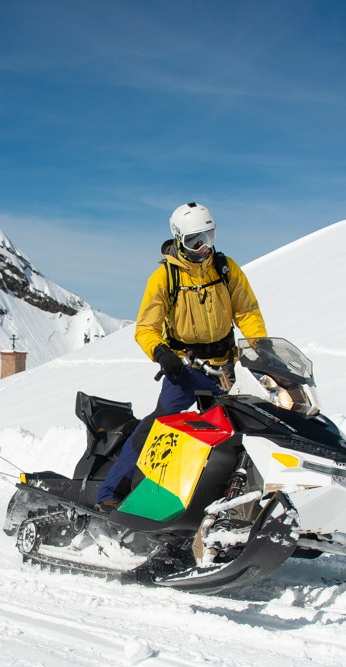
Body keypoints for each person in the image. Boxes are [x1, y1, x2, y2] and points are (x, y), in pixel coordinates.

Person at [95, 202, 268, 511]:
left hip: (224, 370)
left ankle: (231, 498)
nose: (203, 248)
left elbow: (247, 312)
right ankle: (112, 492)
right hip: (185, 369)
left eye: (209, 237)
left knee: (237, 432)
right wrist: (162, 352)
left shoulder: (225, 269)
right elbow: (146, 328)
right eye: (194, 241)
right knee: (159, 426)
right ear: (179, 239)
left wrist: (260, 349)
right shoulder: (165, 277)